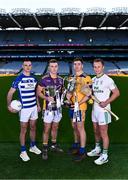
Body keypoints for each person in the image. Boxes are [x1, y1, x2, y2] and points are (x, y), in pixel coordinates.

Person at [87, 59, 120, 165]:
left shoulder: (108, 80)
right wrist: (88, 94)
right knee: (96, 130)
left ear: (103, 67)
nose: (96, 69)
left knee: (103, 132)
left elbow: (116, 93)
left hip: (104, 111)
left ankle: (105, 155)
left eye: (98, 66)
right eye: (95, 67)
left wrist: (106, 102)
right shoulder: (93, 79)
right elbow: (90, 93)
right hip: (95, 110)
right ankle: (97, 149)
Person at [7, 60, 41, 162]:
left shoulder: (34, 78)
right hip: (24, 109)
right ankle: (23, 151)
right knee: (23, 129)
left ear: (31, 66)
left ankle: (32, 146)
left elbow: (36, 93)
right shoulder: (18, 79)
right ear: (23, 66)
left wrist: (38, 105)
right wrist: (9, 106)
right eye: (25, 65)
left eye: (29, 65)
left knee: (33, 127)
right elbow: (10, 94)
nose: (27, 67)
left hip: (34, 107)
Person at [38, 59, 64, 160]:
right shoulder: (44, 79)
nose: (54, 68)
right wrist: (46, 98)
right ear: (49, 67)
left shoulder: (61, 80)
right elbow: (38, 92)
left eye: (55, 66)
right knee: (47, 128)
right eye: (52, 66)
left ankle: (53, 145)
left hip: (58, 108)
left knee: (55, 127)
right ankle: (44, 148)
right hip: (48, 108)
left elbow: (62, 92)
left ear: (58, 67)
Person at [66, 57, 92, 162]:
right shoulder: (71, 77)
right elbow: (69, 92)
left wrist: (78, 103)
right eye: (75, 64)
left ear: (82, 65)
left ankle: (82, 151)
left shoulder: (86, 78)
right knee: (74, 126)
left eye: (78, 64)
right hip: (72, 107)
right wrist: (68, 98)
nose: (76, 66)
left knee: (80, 127)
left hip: (80, 107)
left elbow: (89, 95)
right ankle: (76, 145)